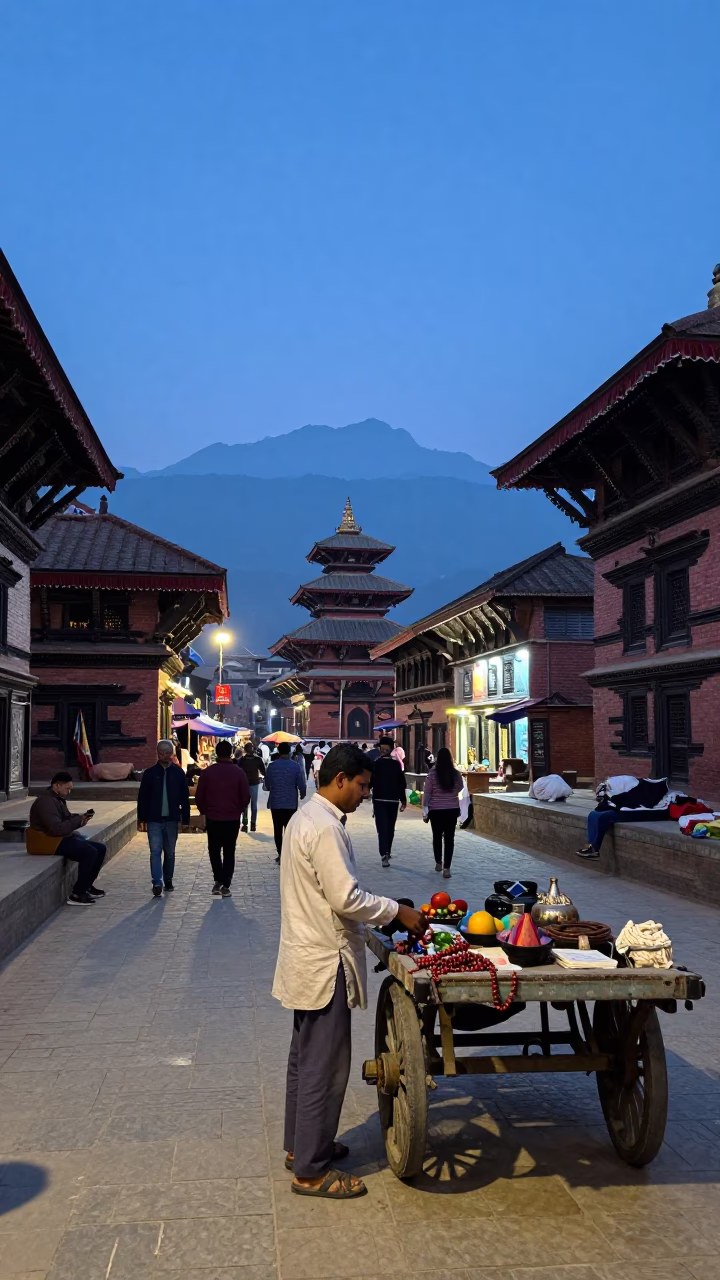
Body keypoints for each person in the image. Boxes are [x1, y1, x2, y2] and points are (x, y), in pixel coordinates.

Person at [273, 743, 425, 1200]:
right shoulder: (322, 827)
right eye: (360, 786)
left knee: (304, 1061)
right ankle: (312, 1172)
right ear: (339, 780)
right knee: (325, 1067)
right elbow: (346, 898)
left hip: (307, 954)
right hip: (323, 960)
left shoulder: (309, 818)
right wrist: (397, 911)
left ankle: (300, 1147)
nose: (363, 794)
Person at [28, 772, 106, 906]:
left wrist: (80, 818)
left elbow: (64, 819)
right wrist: (77, 820)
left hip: (57, 838)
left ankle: (86, 886)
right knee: (90, 852)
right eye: (67, 788)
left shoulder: (56, 799)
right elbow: (56, 829)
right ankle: (77, 893)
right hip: (48, 841)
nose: (69, 792)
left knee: (100, 848)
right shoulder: (46, 802)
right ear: (56, 785)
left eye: (70, 788)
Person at [195, 740, 250, 896]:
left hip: (213, 818)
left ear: (217, 753)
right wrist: (238, 810)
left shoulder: (208, 772)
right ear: (231, 753)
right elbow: (246, 796)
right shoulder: (238, 772)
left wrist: (205, 811)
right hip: (232, 818)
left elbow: (200, 797)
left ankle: (218, 879)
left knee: (214, 850)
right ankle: (226, 884)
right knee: (229, 851)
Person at [137, 739, 191, 896]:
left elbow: (184, 797)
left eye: (167, 753)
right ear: (157, 753)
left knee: (170, 852)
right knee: (155, 851)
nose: (164, 756)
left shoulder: (178, 773)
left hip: (172, 819)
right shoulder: (150, 773)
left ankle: (168, 879)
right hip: (154, 819)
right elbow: (143, 797)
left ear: (172, 754)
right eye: (161, 753)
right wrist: (142, 818)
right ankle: (157, 882)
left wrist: (185, 819)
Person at [423, 746, 464, 878]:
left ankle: (438, 862)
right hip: (451, 809)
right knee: (449, 839)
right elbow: (460, 788)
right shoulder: (456, 774)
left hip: (436, 810)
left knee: (437, 837)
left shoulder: (432, 774)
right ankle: (447, 868)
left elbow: (428, 792)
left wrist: (425, 808)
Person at [265, 741, 307, 862]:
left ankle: (280, 853)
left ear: (278, 752)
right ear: (289, 752)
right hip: (290, 802)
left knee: (277, 829)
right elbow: (301, 783)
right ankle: (289, 853)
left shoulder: (272, 766)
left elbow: (267, 785)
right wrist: (302, 793)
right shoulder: (295, 766)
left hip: (276, 803)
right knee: (290, 829)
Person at [369, 737, 406, 867]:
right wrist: (403, 799)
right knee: (390, 827)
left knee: (382, 828)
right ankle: (387, 852)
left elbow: (371, 781)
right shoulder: (396, 765)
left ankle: (384, 853)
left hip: (379, 799)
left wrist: (365, 791)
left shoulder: (376, 764)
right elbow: (401, 783)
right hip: (392, 800)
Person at [237, 740, 265, 831]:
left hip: (244, 784)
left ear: (244, 750)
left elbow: (237, 772)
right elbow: (263, 771)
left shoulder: (241, 760)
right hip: (254, 784)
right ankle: (253, 824)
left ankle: (245, 822)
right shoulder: (258, 760)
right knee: (254, 804)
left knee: (244, 804)